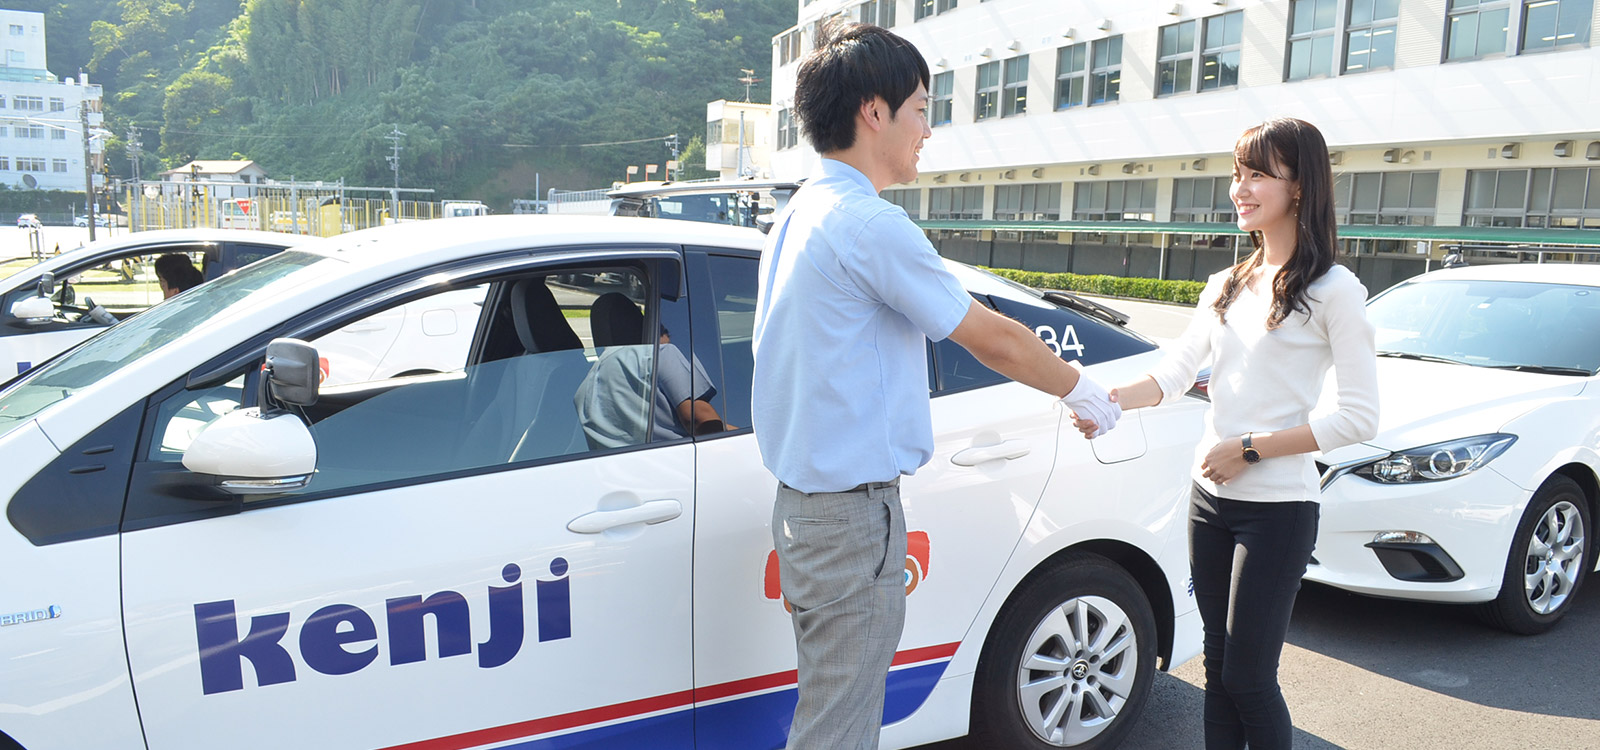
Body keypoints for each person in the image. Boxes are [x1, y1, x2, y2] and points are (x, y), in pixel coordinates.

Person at [751, 21, 1120, 750]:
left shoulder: (798, 214)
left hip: (808, 509)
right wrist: (1085, 392)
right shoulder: (867, 223)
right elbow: (994, 336)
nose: (929, 127)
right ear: (873, 112)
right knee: (840, 726)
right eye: (921, 106)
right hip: (848, 519)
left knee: (832, 707)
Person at [1077, 117, 1378, 750]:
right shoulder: (1228, 283)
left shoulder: (1334, 290)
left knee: (1249, 676)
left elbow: (1359, 418)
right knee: (1217, 669)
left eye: (1258, 174)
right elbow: (1173, 374)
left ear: (1300, 186)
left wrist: (1249, 450)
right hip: (1209, 501)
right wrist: (1105, 402)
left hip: (1279, 509)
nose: (1240, 188)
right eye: (1237, 173)